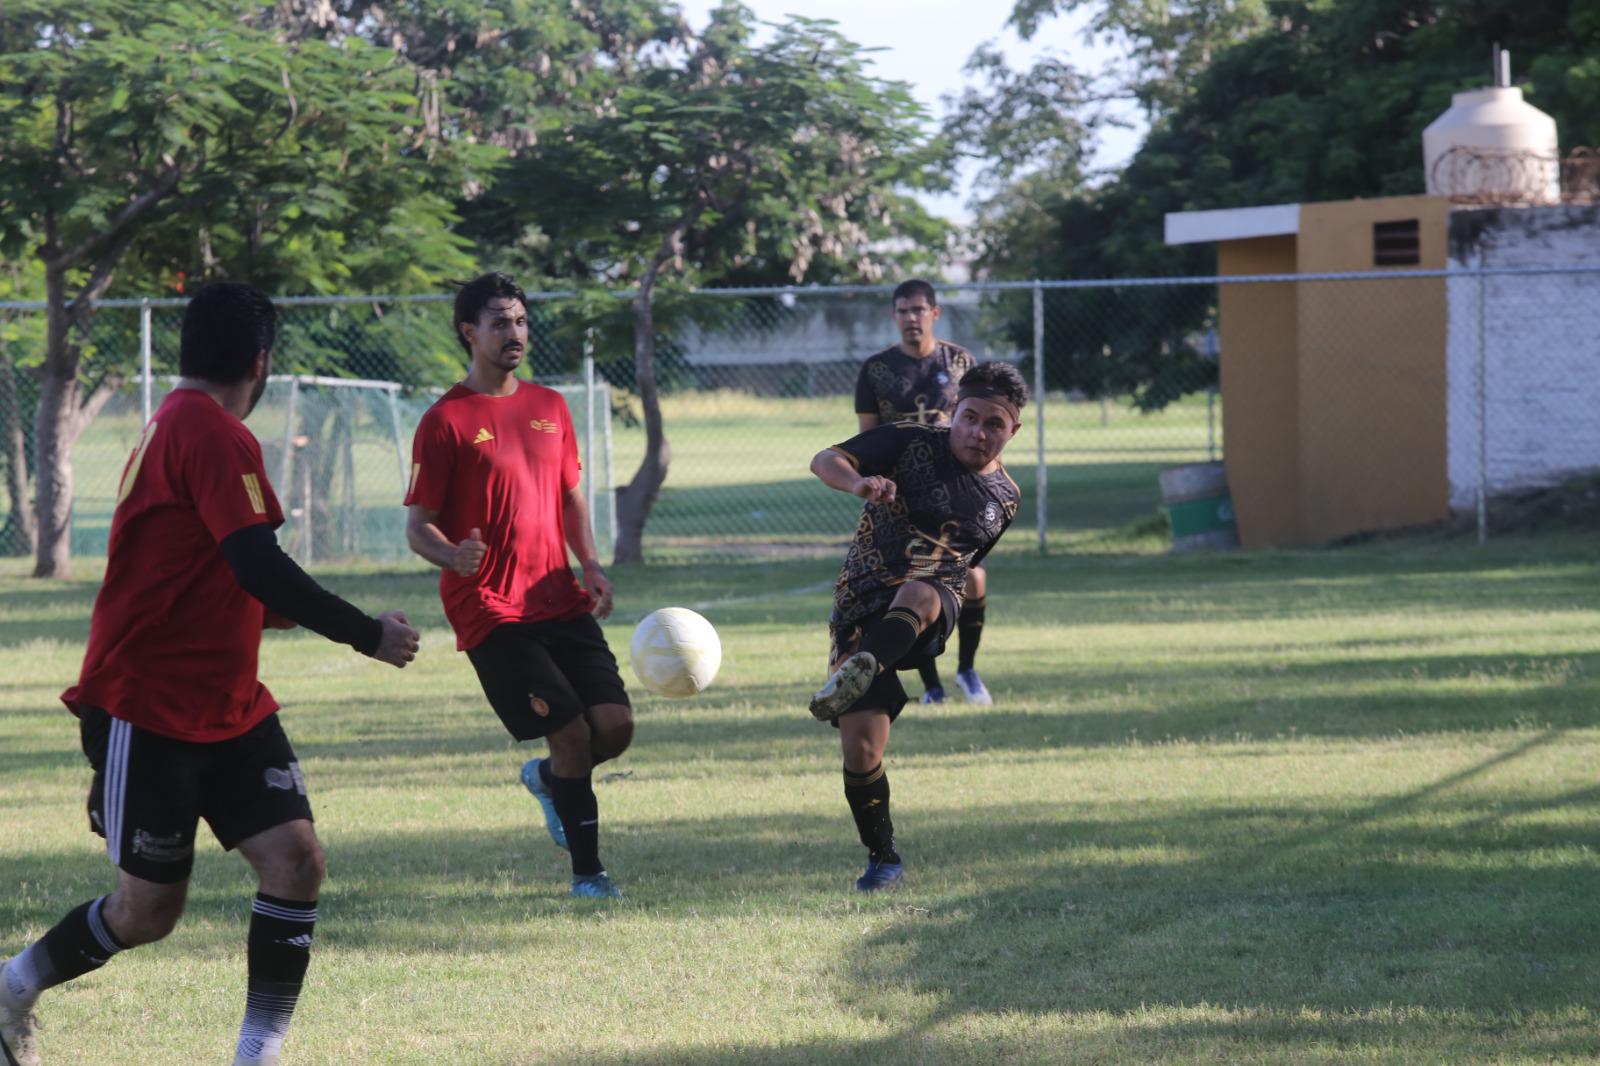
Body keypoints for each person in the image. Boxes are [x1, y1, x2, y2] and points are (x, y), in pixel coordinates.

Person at [0, 283, 420, 1066]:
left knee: (297, 859)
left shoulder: (181, 423)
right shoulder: (210, 432)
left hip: (229, 706)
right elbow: (257, 562)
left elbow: (215, 569)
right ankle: (14, 985)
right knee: (148, 911)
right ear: (261, 362)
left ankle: (256, 1054)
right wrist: (369, 634)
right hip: (147, 706)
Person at [404, 272, 632, 899]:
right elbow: (417, 528)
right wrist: (453, 557)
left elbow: (571, 497)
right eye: (500, 322)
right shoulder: (445, 420)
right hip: (492, 607)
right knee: (572, 731)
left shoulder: (551, 408)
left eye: (521, 321)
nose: (515, 333)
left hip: (557, 594)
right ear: (468, 332)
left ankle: (548, 780)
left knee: (613, 726)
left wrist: (591, 565)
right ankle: (589, 877)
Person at [809, 361, 1027, 892]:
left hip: (929, 607)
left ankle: (867, 665)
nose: (978, 432)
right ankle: (883, 858)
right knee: (862, 748)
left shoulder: (1005, 499)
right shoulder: (909, 440)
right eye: (969, 417)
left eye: (993, 425)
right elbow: (825, 459)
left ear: (1013, 430)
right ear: (954, 410)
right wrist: (861, 483)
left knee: (924, 590)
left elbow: (968, 562)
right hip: (861, 603)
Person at [853, 279, 994, 707]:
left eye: (918, 310)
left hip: (956, 490)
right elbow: (867, 440)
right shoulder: (875, 370)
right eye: (902, 311)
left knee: (971, 576)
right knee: (912, 586)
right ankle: (932, 687)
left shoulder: (960, 362)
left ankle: (967, 670)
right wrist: (879, 485)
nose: (910, 319)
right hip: (901, 497)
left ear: (934, 313)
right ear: (894, 316)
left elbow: (982, 424)